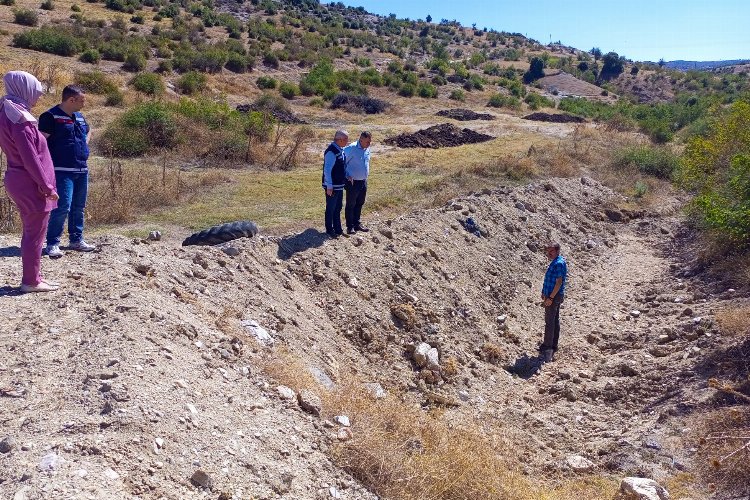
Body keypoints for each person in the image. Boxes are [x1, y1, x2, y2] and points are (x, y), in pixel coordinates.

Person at [0, 71, 60, 292]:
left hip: (19, 178)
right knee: (35, 234)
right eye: (36, 92)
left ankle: (34, 276)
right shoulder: (20, 119)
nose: (38, 97)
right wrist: (47, 187)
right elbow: (31, 158)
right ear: (24, 89)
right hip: (30, 183)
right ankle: (31, 281)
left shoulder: (7, 111)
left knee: (32, 231)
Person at [39, 85, 94, 258]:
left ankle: (76, 240)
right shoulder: (50, 116)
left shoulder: (79, 117)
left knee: (78, 207)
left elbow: (89, 129)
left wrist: (84, 143)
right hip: (61, 170)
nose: (84, 104)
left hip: (81, 169)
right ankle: (53, 243)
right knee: (63, 206)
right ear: (71, 100)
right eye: (82, 100)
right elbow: (40, 143)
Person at [540, 242, 567, 361]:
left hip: (553, 296)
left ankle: (548, 348)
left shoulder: (559, 263)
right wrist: (543, 292)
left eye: (551, 251)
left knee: (550, 322)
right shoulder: (556, 262)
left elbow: (559, 282)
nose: (549, 253)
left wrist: (550, 298)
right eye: (548, 251)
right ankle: (553, 345)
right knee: (554, 320)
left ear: (557, 251)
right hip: (551, 295)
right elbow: (549, 279)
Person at [343, 131, 372, 235]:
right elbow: (341, 162)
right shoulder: (351, 148)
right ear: (361, 139)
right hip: (352, 182)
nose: (369, 144)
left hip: (363, 181)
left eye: (370, 142)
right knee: (351, 204)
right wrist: (346, 175)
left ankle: (357, 224)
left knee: (360, 203)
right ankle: (349, 227)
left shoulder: (367, 148)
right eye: (367, 142)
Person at [322, 130, 348, 239]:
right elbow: (327, 170)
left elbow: (341, 167)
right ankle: (329, 229)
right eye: (346, 139)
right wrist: (329, 185)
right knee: (331, 208)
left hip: (339, 185)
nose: (347, 141)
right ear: (340, 140)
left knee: (338, 207)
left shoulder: (340, 150)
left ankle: (338, 229)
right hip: (332, 186)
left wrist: (347, 176)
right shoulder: (331, 151)